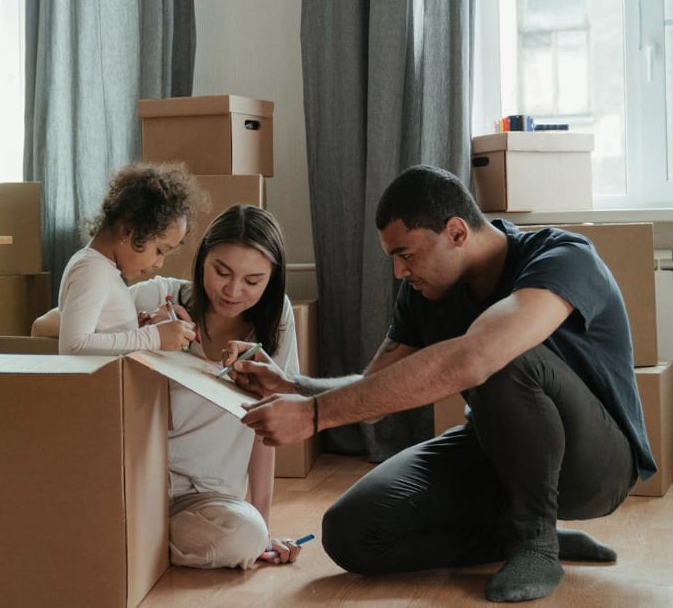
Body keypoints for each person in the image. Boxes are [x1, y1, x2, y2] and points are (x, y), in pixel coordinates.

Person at [228, 165, 653, 602]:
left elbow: (479, 357)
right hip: (496, 452)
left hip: (597, 467)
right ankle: (512, 535)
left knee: (502, 355)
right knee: (351, 533)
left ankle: (536, 544)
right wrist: (294, 387)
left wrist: (315, 416)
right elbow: (375, 390)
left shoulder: (563, 256)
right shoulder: (424, 292)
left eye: (406, 254)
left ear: (455, 232)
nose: (398, 272)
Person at [37, 203, 306, 569]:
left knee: (246, 536)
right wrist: (143, 331)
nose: (232, 290)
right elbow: (45, 327)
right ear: (202, 260)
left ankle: (129, 541)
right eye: (221, 271)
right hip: (136, 483)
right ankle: (132, 538)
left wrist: (264, 526)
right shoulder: (159, 296)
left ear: (272, 280)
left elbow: (267, 428)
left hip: (207, 500)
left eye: (253, 281)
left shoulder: (278, 322)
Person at [54, 162, 202, 355]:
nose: (159, 263)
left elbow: (101, 338)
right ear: (127, 230)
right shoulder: (91, 270)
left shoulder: (103, 269)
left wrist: (135, 330)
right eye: (159, 250)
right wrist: (153, 337)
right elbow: (73, 346)